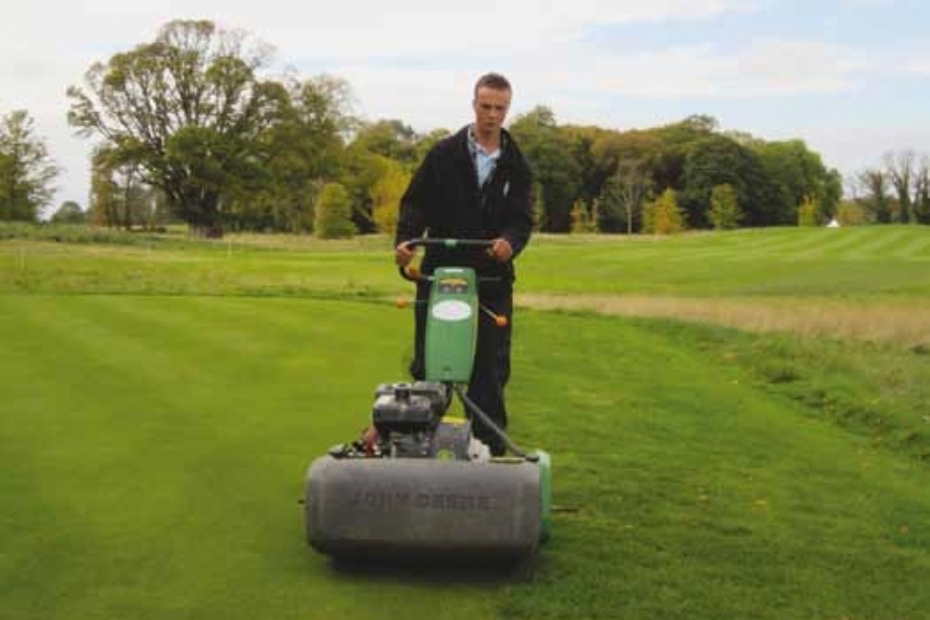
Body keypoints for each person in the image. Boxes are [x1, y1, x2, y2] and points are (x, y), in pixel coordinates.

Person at [394, 72, 534, 456]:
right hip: (439, 273)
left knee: (489, 368)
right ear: (474, 105)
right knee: (429, 364)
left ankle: (486, 451)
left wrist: (510, 242)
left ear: (508, 110)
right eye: (485, 106)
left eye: (500, 108)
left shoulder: (516, 164)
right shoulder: (443, 154)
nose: (492, 115)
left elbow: (522, 219)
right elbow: (414, 204)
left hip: (490, 278)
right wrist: (405, 243)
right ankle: (415, 445)